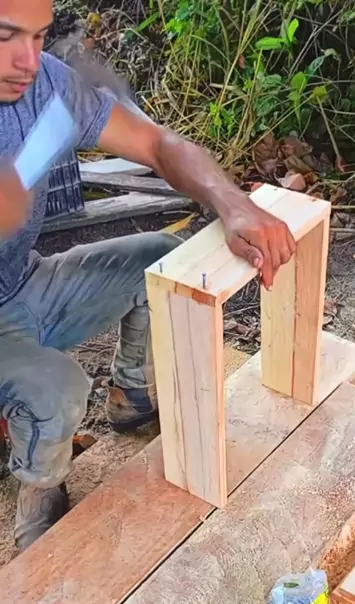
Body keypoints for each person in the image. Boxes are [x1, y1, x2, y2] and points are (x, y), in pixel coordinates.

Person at [0, 0, 296, 551]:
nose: (28, 60)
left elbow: (159, 144)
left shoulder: (44, 83)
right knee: (56, 389)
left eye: (39, 37)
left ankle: (131, 395)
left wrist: (233, 203)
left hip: (21, 281)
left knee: (161, 262)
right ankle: (40, 494)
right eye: (6, 36)